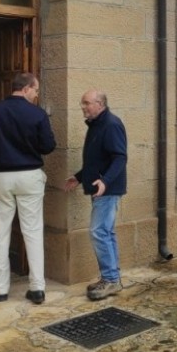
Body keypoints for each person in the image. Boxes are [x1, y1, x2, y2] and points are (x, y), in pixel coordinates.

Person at [0, 72, 55, 305]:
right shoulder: (37, 114)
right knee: (32, 231)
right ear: (27, 88)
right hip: (30, 175)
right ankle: (37, 288)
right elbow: (48, 146)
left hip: (0, 176)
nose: (36, 95)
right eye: (36, 91)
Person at [64, 89, 128, 301]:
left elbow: (120, 157)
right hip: (100, 187)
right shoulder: (97, 125)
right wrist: (80, 177)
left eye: (87, 103)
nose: (83, 107)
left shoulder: (111, 124)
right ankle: (111, 279)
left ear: (100, 104)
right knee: (105, 233)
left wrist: (106, 181)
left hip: (107, 190)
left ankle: (111, 280)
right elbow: (97, 160)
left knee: (99, 232)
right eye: (82, 103)